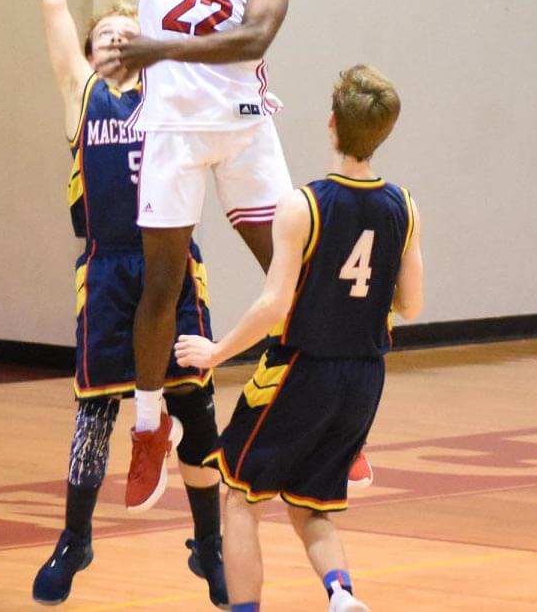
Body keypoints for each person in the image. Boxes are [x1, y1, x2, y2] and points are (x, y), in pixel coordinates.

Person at [38, 0, 298, 513]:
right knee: (162, 285)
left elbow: (254, 41)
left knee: (295, 274)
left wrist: (156, 47)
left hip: (245, 125)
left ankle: (314, 405)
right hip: (176, 131)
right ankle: (150, 420)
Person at [32, 0, 228, 607]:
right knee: (95, 413)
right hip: (110, 270)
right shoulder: (81, 94)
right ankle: (74, 539)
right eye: (104, 34)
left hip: (173, 269)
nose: (116, 37)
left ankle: (207, 546)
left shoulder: (167, 89)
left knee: (195, 410)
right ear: (90, 49)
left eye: (127, 32)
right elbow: (53, 2)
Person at [175, 64, 424, 612]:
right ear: (382, 133)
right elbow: (411, 303)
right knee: (313, 504)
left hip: (301, 369)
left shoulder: (302, 205)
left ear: (331, 125)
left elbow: (273, 306)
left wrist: (216, 352)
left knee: (239, 497)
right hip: (364, 376)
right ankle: (340, 594)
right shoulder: (403, 206)